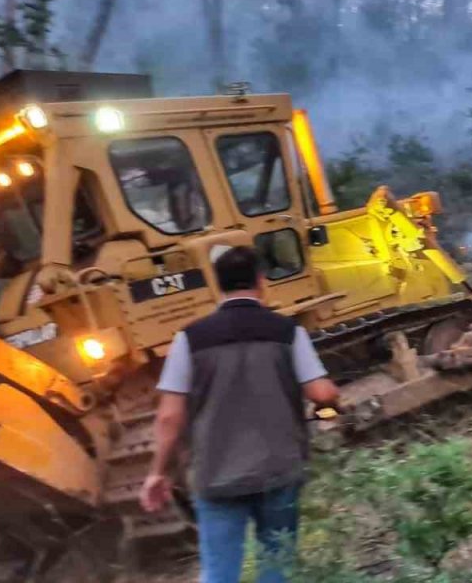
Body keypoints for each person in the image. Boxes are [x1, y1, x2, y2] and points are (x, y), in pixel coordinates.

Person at [140, 245, 340, 583]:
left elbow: (169, 418)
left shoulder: (188, 340)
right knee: (276, 567)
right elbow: (321, 393)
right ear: (261, 282)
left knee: (219, 572)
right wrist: (331, 405)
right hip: (279, 472)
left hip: (216, 476)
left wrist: (157, 473)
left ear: (217, 286)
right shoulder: (287, 332)